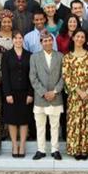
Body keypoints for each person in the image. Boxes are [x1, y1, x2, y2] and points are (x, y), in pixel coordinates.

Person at [62, 28, 88, 160]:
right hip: (75, 95)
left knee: (87, 121)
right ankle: (75, 149)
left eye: (82, 37)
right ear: (73, 38)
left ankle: (85, 149)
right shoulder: (67, 57)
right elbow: (67, 76)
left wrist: (86, 91)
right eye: (78, 36)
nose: (80, 39)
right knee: (75, 122)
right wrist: (79, 91)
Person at [29, 31, 64, 160]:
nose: (48, 42)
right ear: (41, 43)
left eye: (50, 40)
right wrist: (44, 92)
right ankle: (41, 150)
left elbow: (63, 76)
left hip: (56, 96)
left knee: (55, 125)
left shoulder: (60, 56)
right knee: (40, 125)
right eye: (45, 41)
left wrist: (54, 91)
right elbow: (33, 77)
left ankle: (55, 150)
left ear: (53, 41)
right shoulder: (34, 57)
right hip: (40, 97)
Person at [2, 31, 33, 158]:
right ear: (12, 40)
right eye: (16, 38)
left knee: (24, 120)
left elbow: (32, 75)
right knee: (12, 120)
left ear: (23, 40)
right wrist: (7, 93)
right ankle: (15, 145)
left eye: (20, 38)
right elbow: (5, 76)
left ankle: (23, 145)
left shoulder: (29, 55)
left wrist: (31, 93)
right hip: (12, 93)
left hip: (25, 92)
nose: (18, 40)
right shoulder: (7, 55)